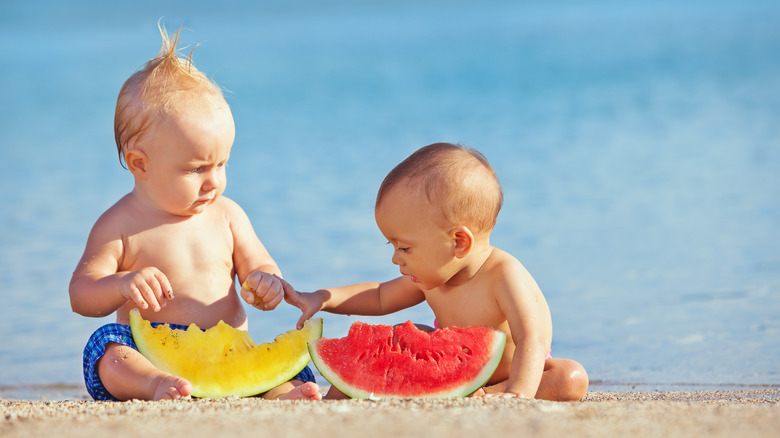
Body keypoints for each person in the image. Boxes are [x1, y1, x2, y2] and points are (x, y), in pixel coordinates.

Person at [69, 25, 321, 401]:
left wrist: (266, 284)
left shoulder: (228, 215)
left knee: (283, 364)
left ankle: (281, 395)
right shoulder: (119, 225)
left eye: (222, 165)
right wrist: (121, 284)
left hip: (227, 353)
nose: (213, 182)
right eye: (195, 169)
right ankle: (154, 385)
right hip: (154, 354)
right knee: (108, 351)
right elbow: (81, 293)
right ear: (140, 164)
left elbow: (260, 266)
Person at [285, 143, 588, 400]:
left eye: (404, 248)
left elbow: (531, 338)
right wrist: (321, 298)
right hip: (449, 370)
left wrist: (517, 393)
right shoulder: (428, 278)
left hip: (521, 371)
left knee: (571, 376)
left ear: (459, 242)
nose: (395, 259)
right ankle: (339, 393)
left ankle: (495, 393)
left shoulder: (504, 275)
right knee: (402, 340)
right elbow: (378, 297)